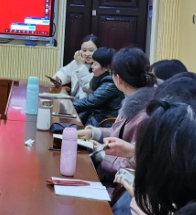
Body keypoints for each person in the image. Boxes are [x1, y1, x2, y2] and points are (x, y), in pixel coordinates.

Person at [78, 47, 156, 188]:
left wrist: (102, 155)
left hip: (117, 187)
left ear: (118, 79)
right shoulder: (133, 101)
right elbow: (118, 131)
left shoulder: (145, 115)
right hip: (109, 176)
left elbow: (135, 165)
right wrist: (94, 132)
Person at [71, 47, 123, 126]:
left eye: (95, 64)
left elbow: (90, 102)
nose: (92, 66)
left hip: (104, 123)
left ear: (107, 67)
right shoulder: (101, 78)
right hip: (96, 117)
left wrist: (68, 106)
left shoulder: (110, 83)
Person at [49, 34, 98, 98]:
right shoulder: (76, 62)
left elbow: (88, 87)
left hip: (86, 100)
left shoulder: (100, 67)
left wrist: (81, 66)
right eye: (84, 50)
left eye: (91, 50)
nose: (87, 54)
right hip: (74, 99)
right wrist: (58, 80)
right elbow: (64, 72)